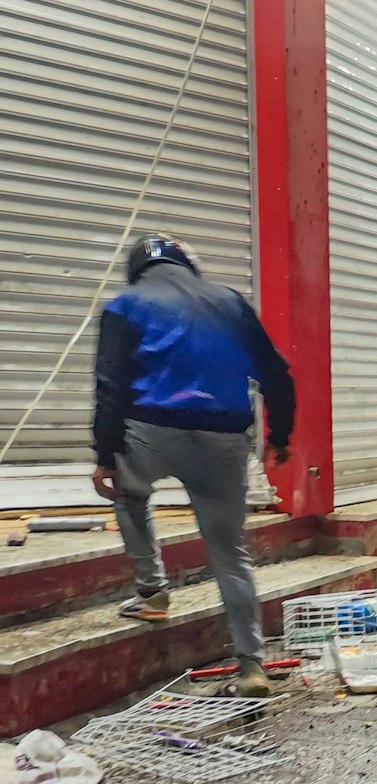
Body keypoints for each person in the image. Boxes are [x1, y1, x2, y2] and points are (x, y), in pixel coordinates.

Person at [91, 234, 295, 698]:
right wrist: (280, 436)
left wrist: (105, 457)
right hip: (222, 441)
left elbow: (110, 385)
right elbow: (276, 374)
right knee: (230, 554)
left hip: (150, 434)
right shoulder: (229, 302)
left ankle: (152, 592)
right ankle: (252, 665)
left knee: (129, 494)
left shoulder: (125, 305)